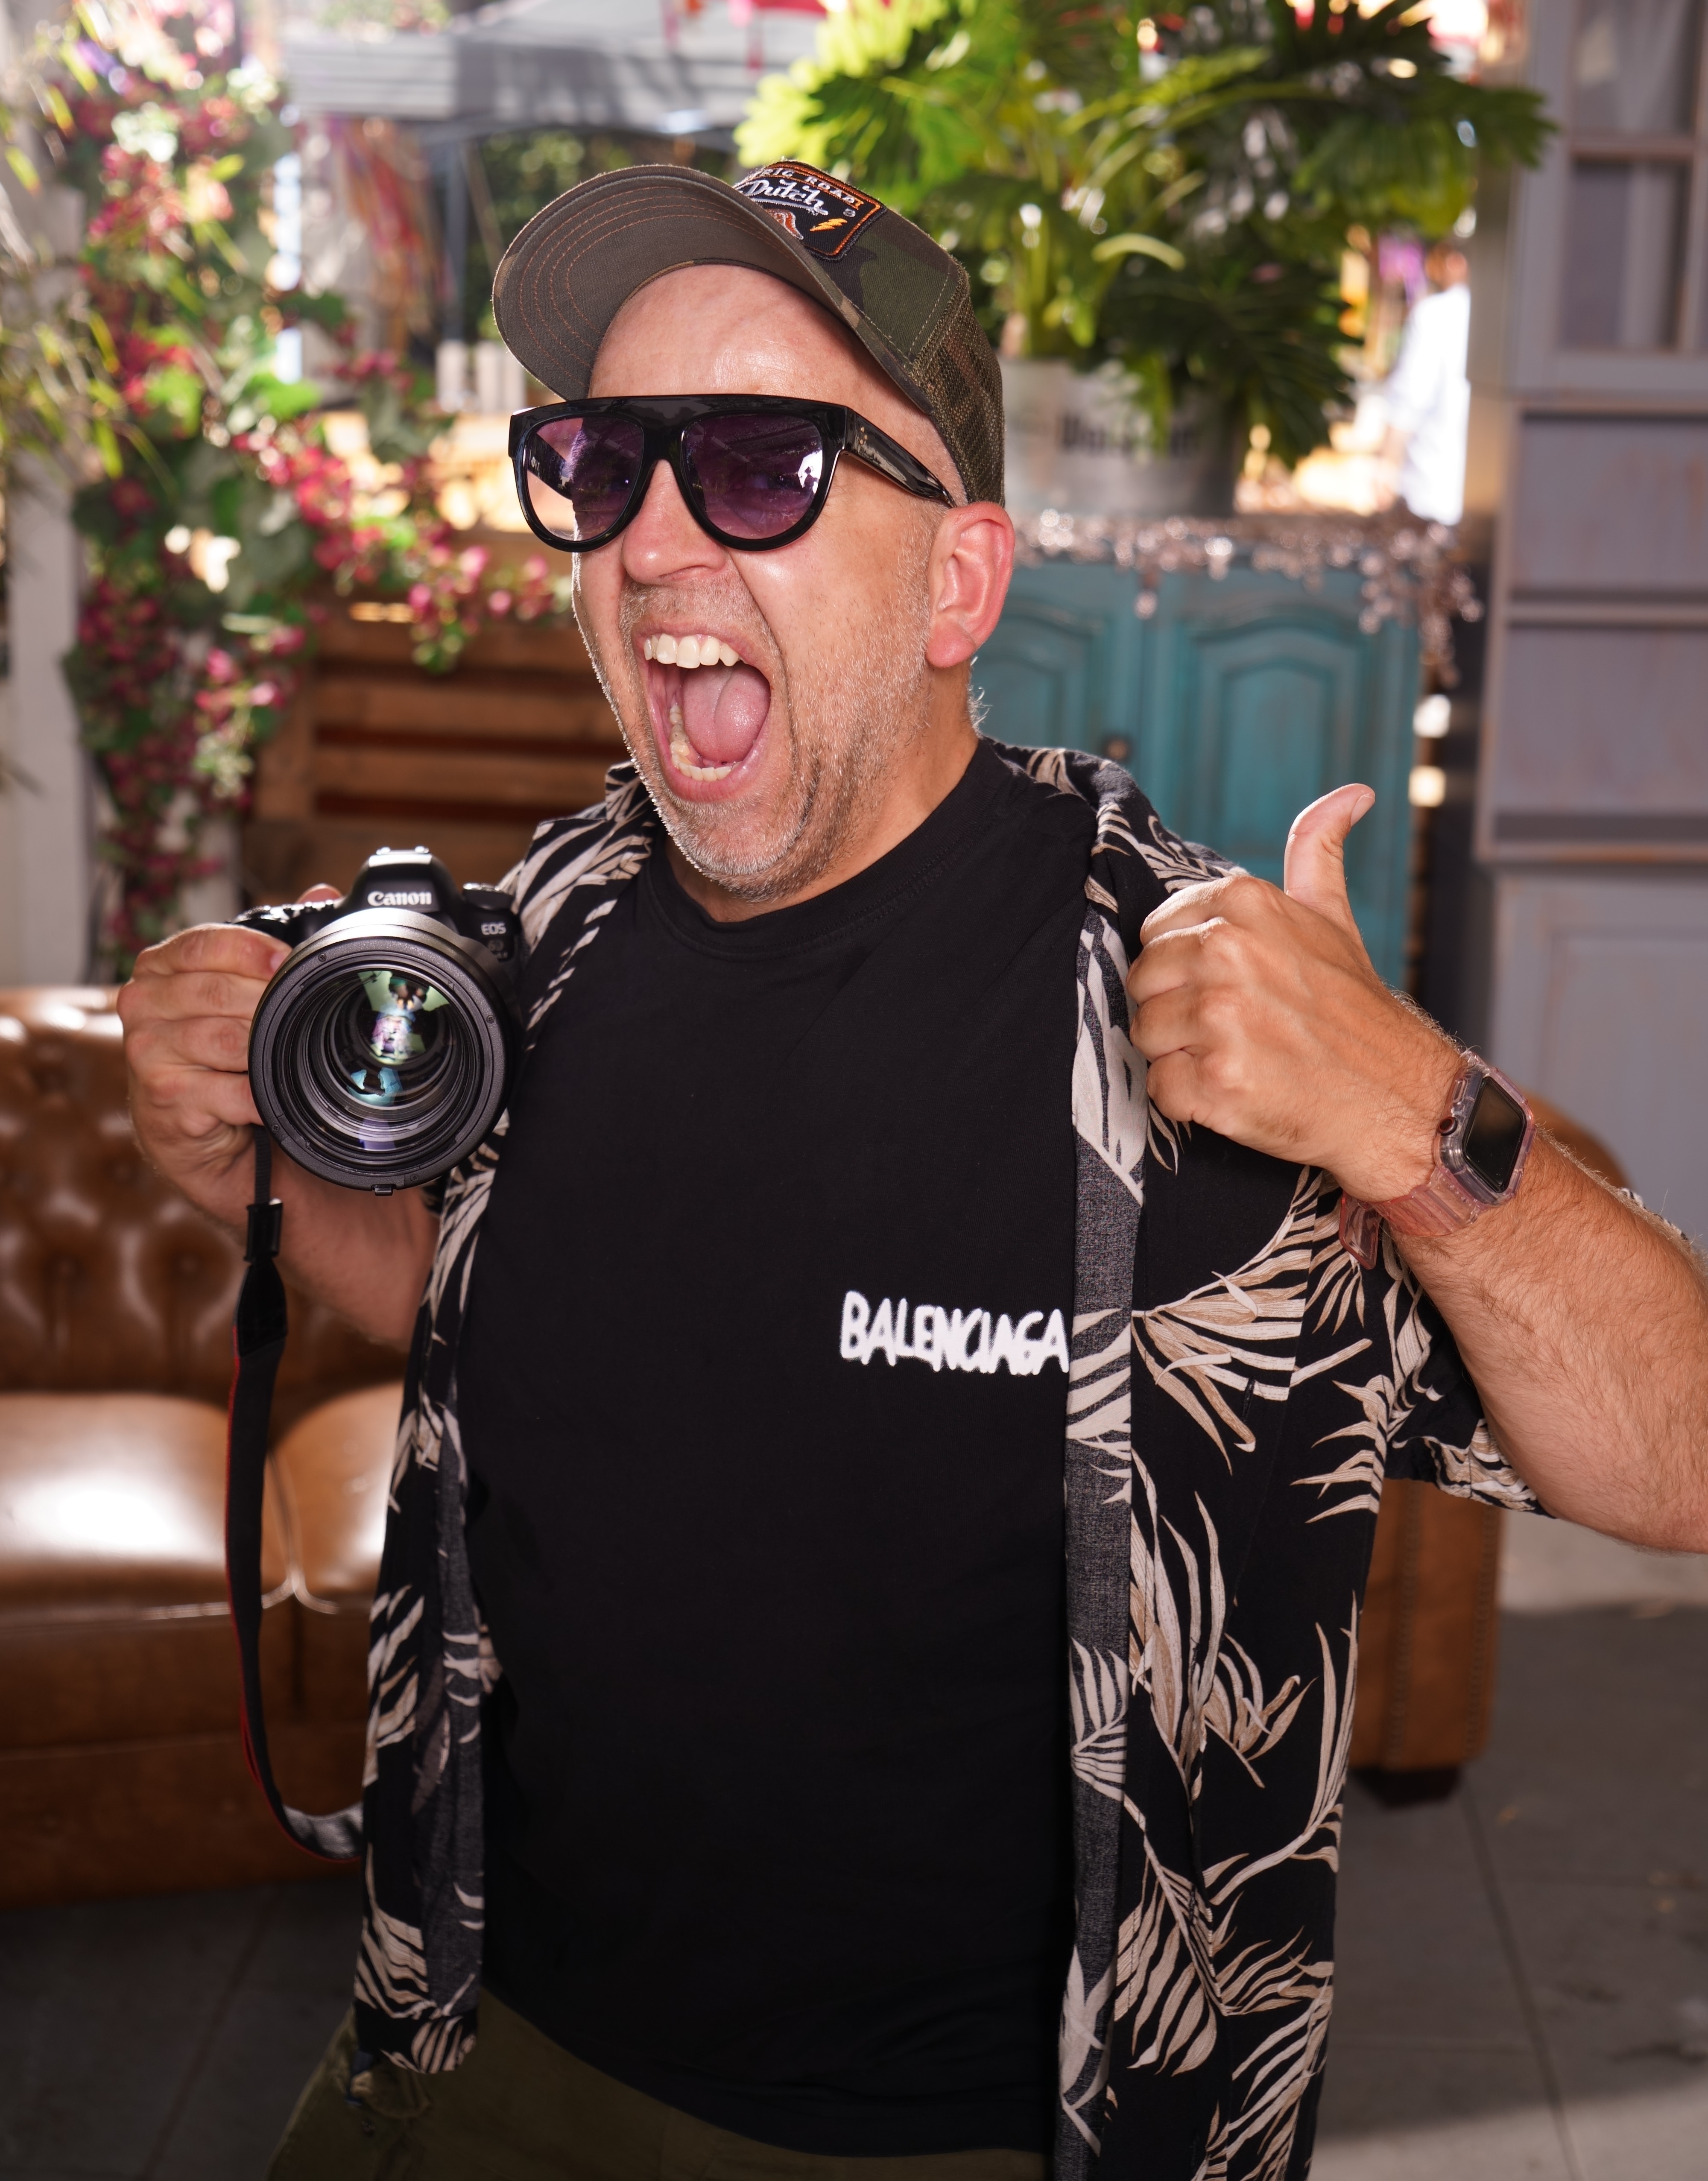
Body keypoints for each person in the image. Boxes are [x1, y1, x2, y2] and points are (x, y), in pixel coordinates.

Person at [119, 160, 1708, 2181]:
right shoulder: (555, 925)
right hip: (472, 2034)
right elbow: (490, 1299)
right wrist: (248, 1174)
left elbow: (1674, 1459)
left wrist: (1414, 1118)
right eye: (601, 462)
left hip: (977, 2136)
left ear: (957, 583)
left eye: (759, 466)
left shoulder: (1173, 1025)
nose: (654, 538)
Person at [1378, 238, 1471, 525]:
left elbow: (1409, 397)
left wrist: (1387, 464)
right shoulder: (1516, 316)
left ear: (1456, 262)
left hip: (1431, 490)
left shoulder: (1435, 314)